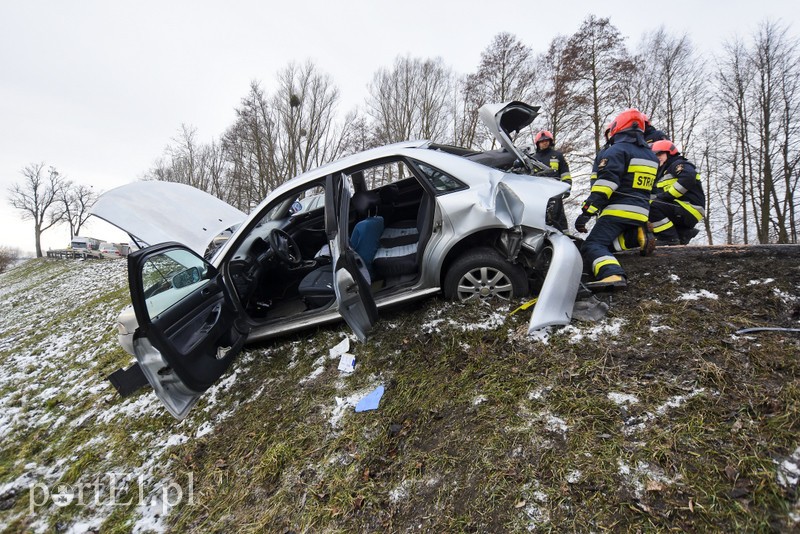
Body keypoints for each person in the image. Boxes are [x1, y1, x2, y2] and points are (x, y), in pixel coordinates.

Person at [574, 109, 659, 290]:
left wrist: (586, 212)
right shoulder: (651, 155)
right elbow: (653, 190)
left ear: (616, 128)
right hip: (641, 212)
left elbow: (606, 184)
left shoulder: (616, 151)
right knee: (607, 245)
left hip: (617, 210)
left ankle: (612, 274)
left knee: (592, 245)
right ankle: (636, 235)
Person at [648, 140, 705, 245]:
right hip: (681, 209)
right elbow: (656, 194)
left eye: (660, 154)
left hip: (689, 208)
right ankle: (682, 234)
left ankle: (669, 238)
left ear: (670, 153)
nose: (658, 157)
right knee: (648, 203)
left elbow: (688, 178)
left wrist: (667, 196)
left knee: (652, 205)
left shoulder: (678, 164)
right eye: (655, 155)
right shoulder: (662, 173)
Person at [530, 130, 571, 231]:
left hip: (555, 191)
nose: (545, 142)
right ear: (537, 143)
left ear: (550, 141)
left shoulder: (557, 156)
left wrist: (567, 188)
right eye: (542, 141)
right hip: (539, 193)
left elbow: (565, 173)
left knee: (559, 217)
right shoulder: (532, 158)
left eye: (546, 140)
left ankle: (566, 239)